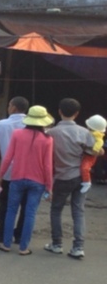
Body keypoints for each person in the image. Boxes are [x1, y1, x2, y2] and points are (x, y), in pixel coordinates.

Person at [0, 105, 54, 255]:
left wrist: (0, 177)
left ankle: (6, 244)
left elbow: (8, 158)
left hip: (17, 178)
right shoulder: (48, 140)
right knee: (30, 213)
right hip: (38, 181)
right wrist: (49, 186)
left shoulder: (17, 134)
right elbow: (48, 165)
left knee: (11, 211)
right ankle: (23, 247)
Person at [46, 98, 94, 259]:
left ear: (59, 111)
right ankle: (78, 247)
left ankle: (57, 244)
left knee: (56, 210)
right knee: (78, 211)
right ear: (77, 114)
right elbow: (94, 152)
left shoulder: (51, 133)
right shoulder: (84, 132)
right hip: (81, 177)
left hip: (61, 177)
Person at [0, 96, 29, 244]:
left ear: (13, 107)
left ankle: (2, 233)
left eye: (9, 105)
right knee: (26, 206)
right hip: (27, 171)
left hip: (7, 171)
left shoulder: (1, 124)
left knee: (6, 204)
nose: (8, 108)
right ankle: (20, 235)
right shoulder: (31, 125)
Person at [78, 114, 106, 194]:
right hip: (86, 155)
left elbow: (99, 147)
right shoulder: (92, 134)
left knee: (85, 168)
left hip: (90, 155)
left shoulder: (97, 136)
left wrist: (95, 149)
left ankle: (87, 182)